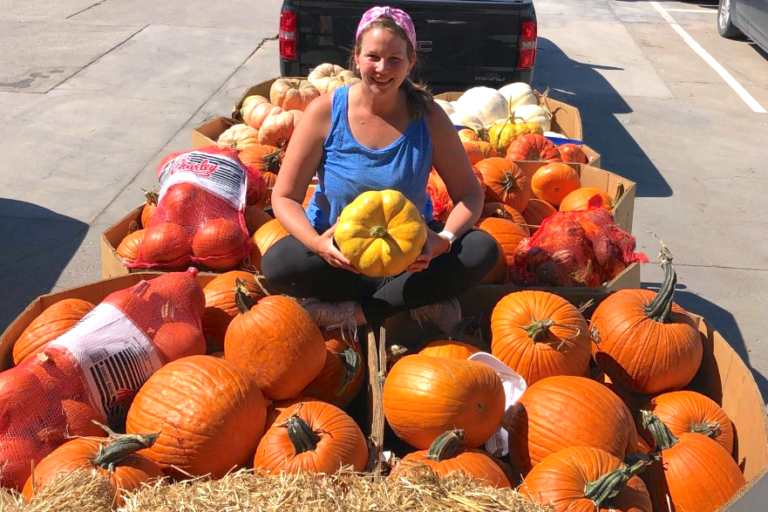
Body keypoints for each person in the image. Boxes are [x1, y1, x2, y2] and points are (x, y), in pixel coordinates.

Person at [262, 5, 499, 336]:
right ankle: (415, 297)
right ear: (356, 57)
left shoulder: (428, 116)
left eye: (394, 59)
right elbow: (284, 196)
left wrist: (442, 241)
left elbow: (470, 194)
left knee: (482, 249)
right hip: (340, 256)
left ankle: (357, 315)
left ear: (410, 63)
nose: (382, 68)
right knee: (279, 264)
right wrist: (317, 246)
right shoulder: (324, 112)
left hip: (412, 255)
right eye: (373, 56)